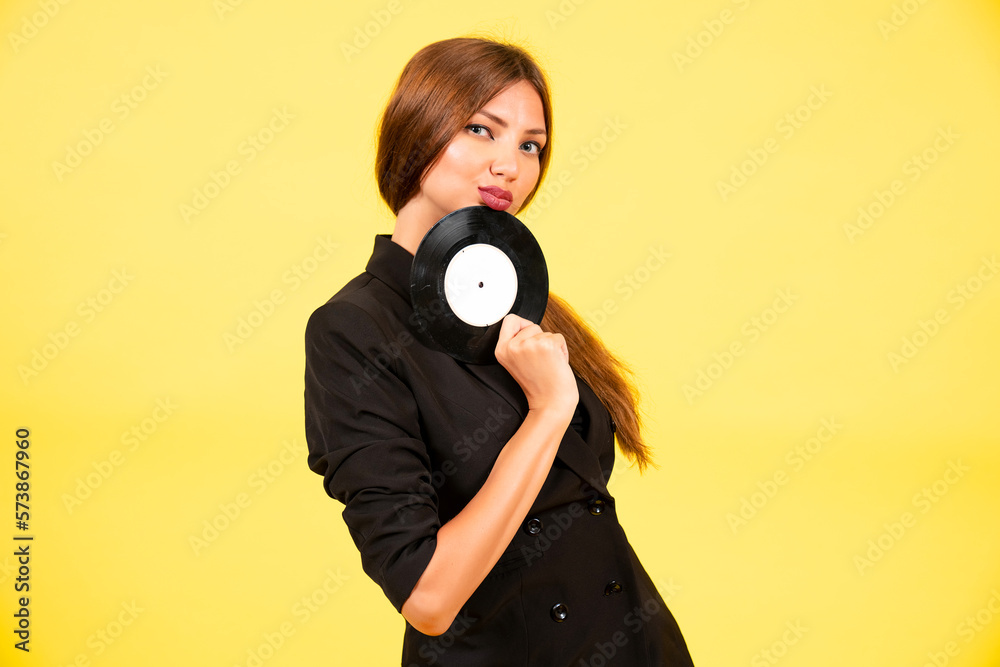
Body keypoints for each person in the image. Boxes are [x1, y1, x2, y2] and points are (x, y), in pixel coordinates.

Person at [304, 36, 695, 666]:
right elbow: (428, 598)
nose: (509, 165)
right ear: (415, 129)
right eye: (481, 129)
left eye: (530, 145)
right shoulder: (353, 330)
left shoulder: (520, 301)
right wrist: (546, 412)